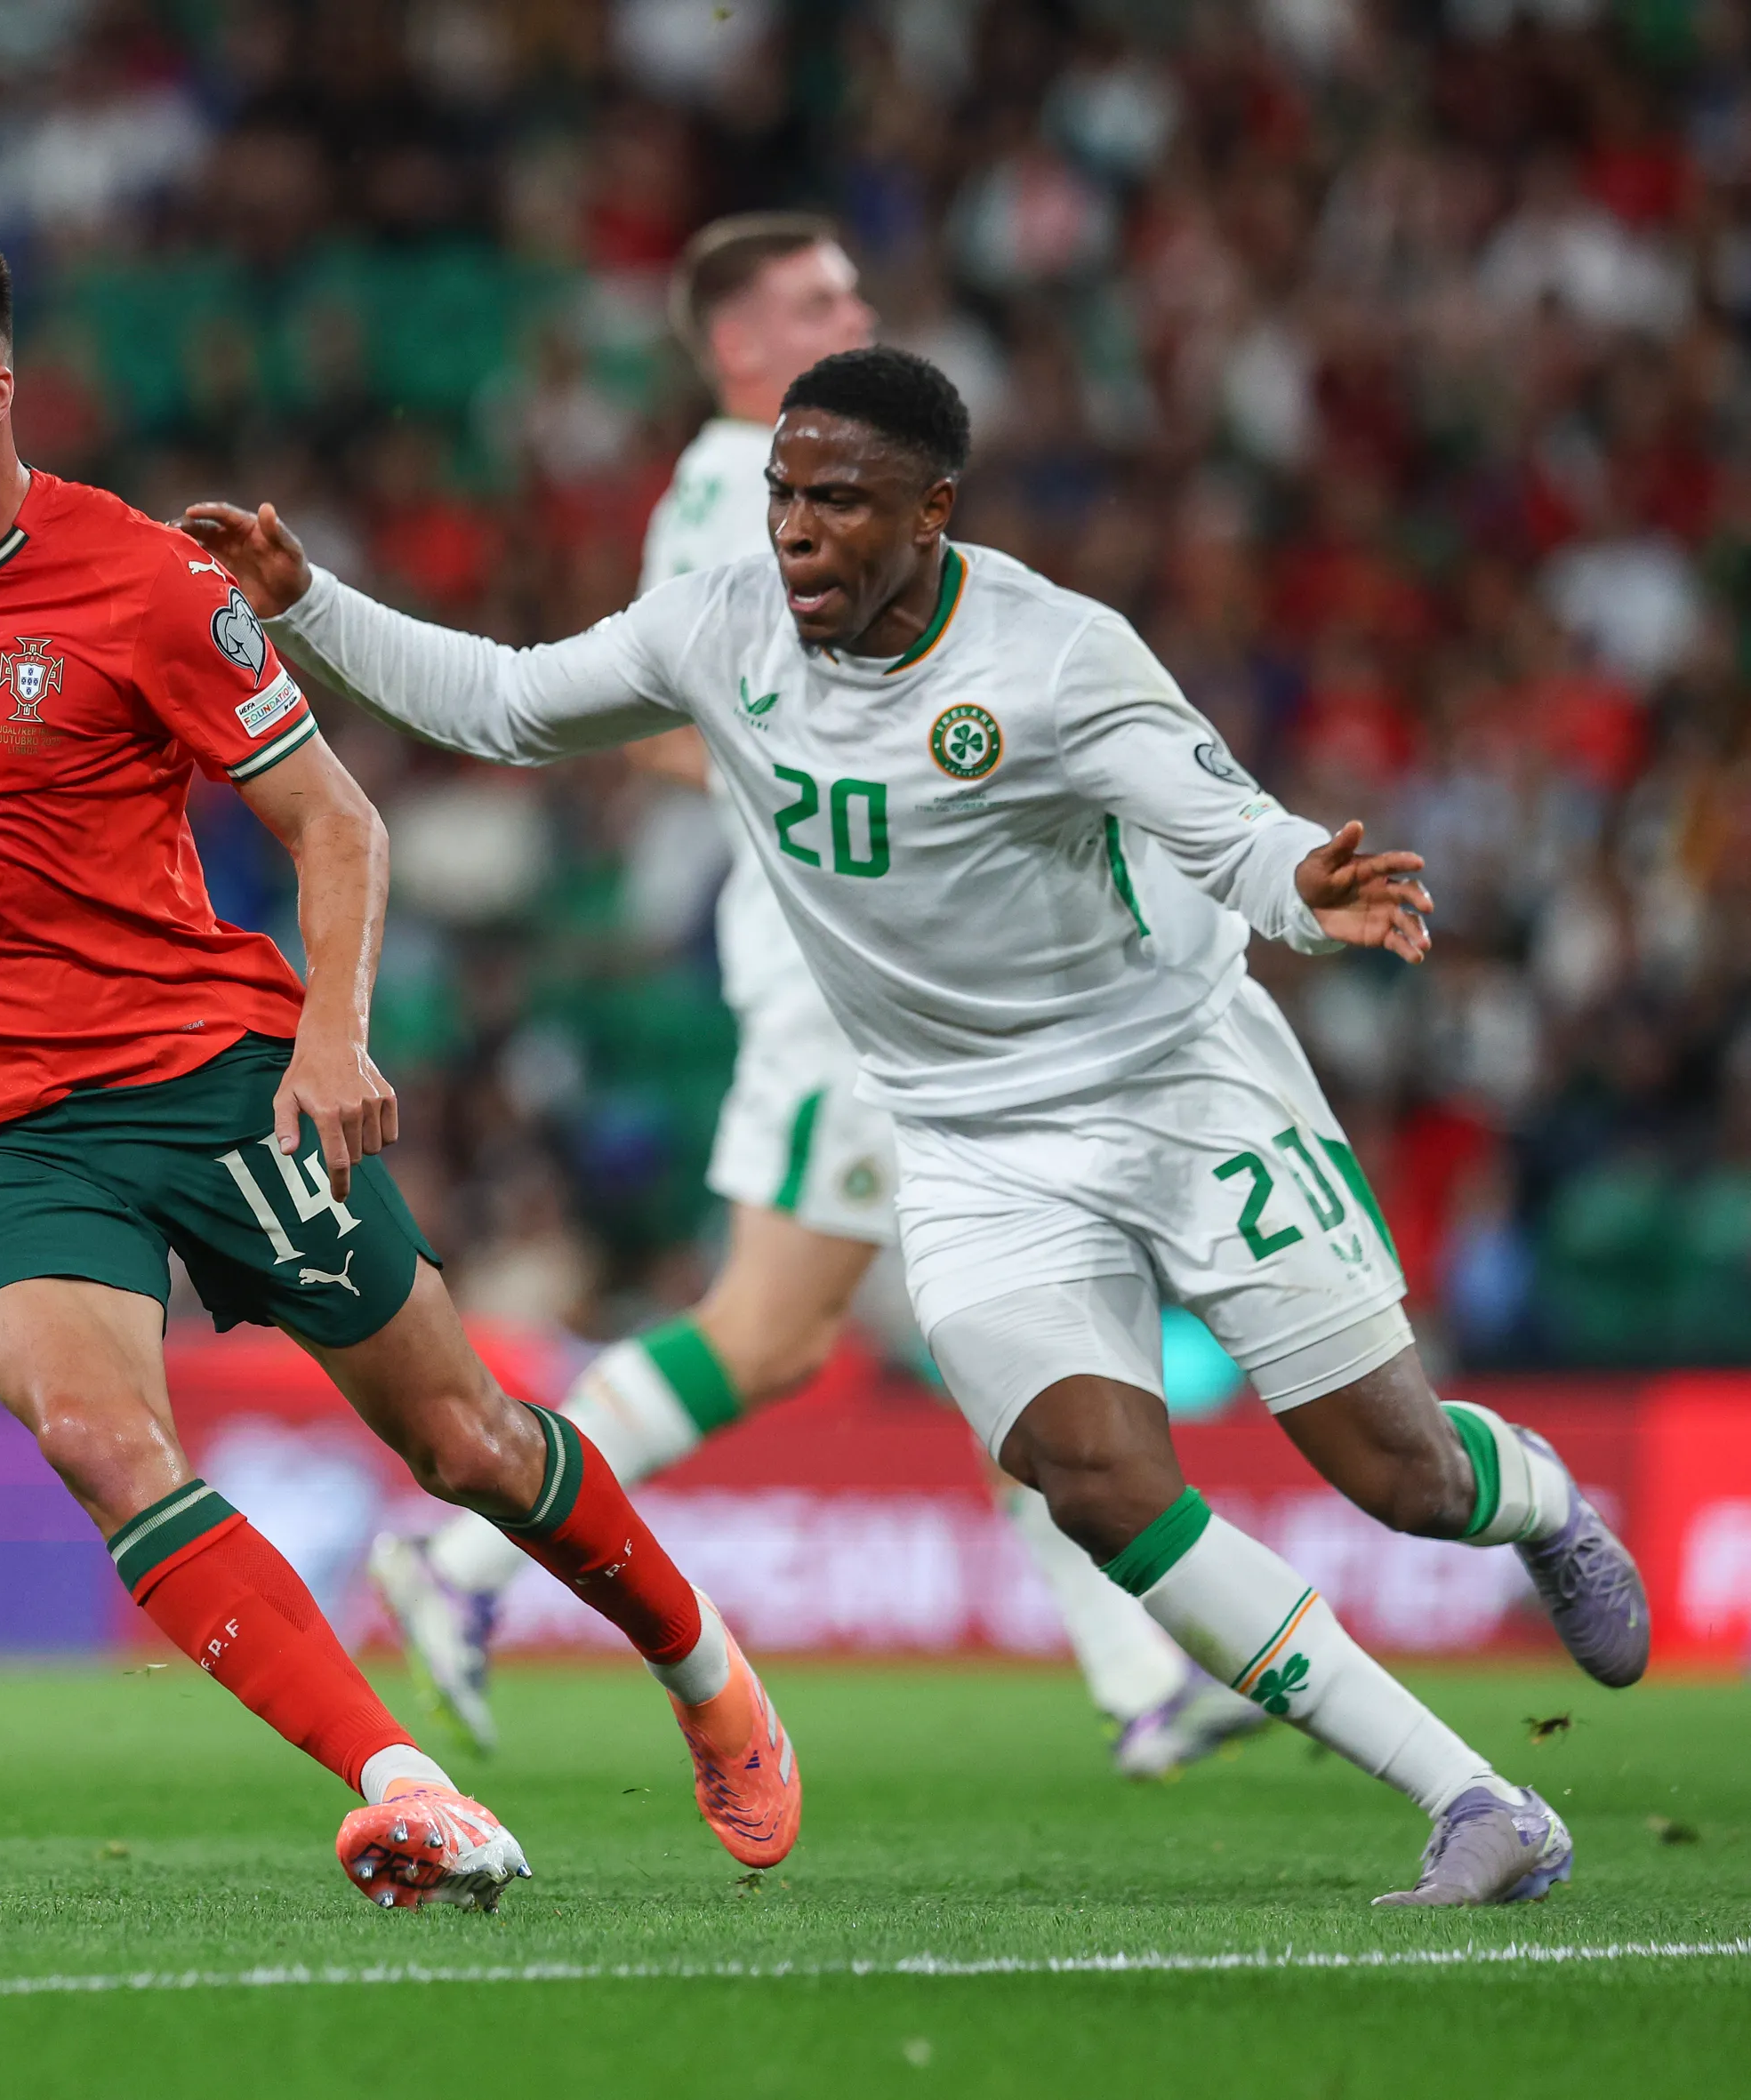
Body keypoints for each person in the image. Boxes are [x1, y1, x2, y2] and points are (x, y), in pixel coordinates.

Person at [183, 344, 1649, 1908]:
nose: (797, 530)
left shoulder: (1057, 655)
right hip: (962, 1137)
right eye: (781, 497)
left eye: (840, 500)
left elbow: (1223, 825)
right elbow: (503, 701)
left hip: (1175, 1080)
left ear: (932, 511)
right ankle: (1474, 1801)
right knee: (1091, 1476)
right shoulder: (718, 623)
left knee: (1399, 1473)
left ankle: (1546, 1498)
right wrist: (304, 603)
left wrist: (1304, 883)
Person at [0, 221, 799, 1912]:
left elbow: (336, 822)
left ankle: (702, 1673)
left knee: (458, 1440)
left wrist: (330, 1036)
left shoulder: (144, 583)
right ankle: (406, 1787)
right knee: (101, 1440)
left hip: (203, 1074)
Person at [372, 214, 1264, 1781]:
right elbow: (643, 716)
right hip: (843, 976)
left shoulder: (764, 480)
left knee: (997, 1318)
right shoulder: (745, 489)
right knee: (774, 1328)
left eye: (855, 285)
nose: (853, 305)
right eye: (816, 296)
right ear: (734, 344)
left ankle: (1141, 1671)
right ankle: (463, 1554)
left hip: (889, 966)